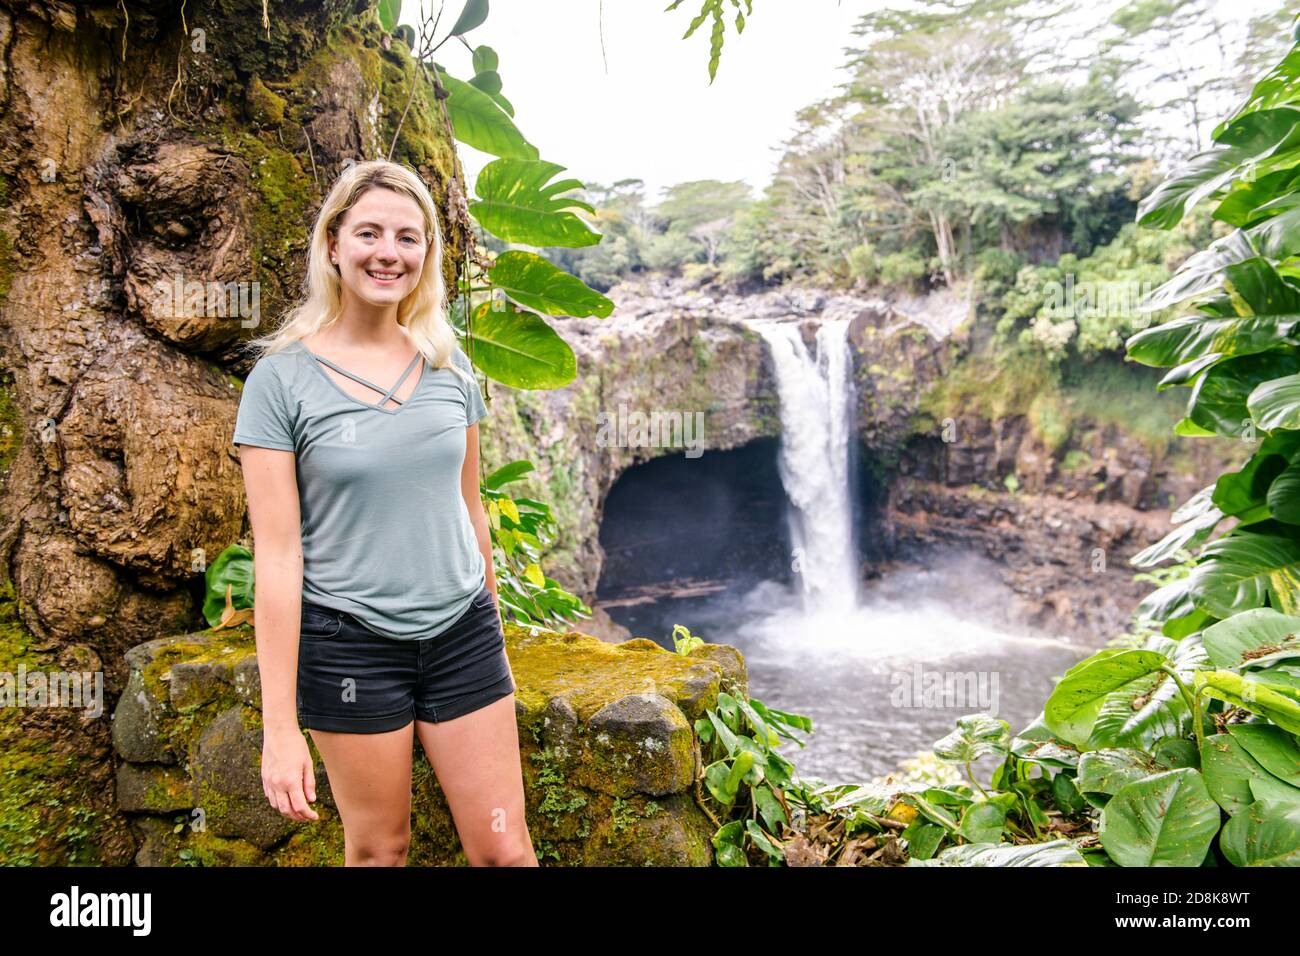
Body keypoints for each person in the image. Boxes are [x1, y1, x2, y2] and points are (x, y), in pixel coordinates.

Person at [231, 158, 538, 867]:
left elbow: (471, 509)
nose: (388, 253)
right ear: (333, 244)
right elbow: (277, 559)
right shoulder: (280, 383)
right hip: (351, 645)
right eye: (369, 232)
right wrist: (281, 730)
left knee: (505, 850)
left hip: (463, 635)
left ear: (427, 253)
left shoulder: (448, 364)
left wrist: (492, 636)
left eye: (408, 237)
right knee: (379, 851)